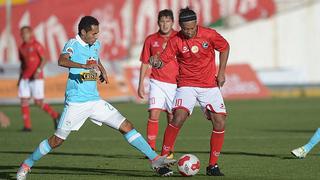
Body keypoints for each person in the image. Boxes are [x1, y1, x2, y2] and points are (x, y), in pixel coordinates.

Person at [16, 16, 175, 180]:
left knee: (126, 126)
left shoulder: (95, 44)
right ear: (83, 32)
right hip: (76, 103)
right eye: (93, 33)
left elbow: (95, 57)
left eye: (97, 33)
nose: (96, 37)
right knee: (57, 141)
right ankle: (26, 164)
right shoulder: (73, 44)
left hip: (95, 101)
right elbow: (62, 60)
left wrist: (102, 69)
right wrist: (83, 66)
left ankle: (155, 160)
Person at [149, 7, 230, 176]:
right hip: (186, 84)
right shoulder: (175, 40)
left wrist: (221, 71)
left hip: (209, 85)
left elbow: (224, 47)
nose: (189, 32)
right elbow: (162, 61)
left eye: (192, 28)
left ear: (196, 24)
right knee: (178, 117)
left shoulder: (209, 34)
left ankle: (212, 166)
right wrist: (155, 62)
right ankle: (163, 161)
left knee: (220, 122)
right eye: (185, 29)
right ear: (180, 26)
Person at [138, 9, 178, 156]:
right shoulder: (151, 39)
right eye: (162, 21)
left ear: (173, 22)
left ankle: (168, 149)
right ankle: (150, 149)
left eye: (168, 21)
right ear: (158, 23)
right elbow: (144, 62)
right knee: (154, 113)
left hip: (175, 84)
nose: (165, 24)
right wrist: (141, 84)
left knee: (172, 117)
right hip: (157, 82)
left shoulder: (179, 37)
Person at [18, 26, 60, 131]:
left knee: (38, 102)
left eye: (26, 33)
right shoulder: (21, 47)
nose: (23, 35)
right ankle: (27, 126)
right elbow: (23, 63)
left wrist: (38, 71)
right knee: (24, 100)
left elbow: (44, 59)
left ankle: (55, 115)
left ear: (30, 33)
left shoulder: (36, 45)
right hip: (25, 77)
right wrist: (20, 78)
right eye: (22, 33)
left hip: (36, 78)